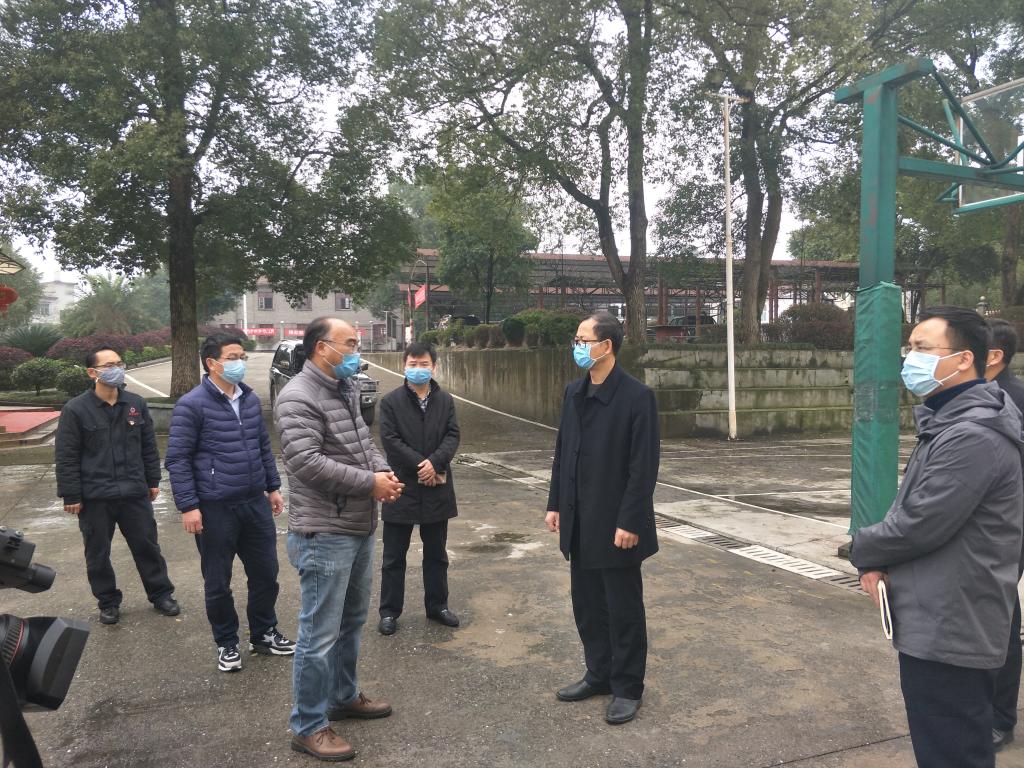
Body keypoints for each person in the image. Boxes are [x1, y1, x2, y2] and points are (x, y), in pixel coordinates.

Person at [853, 306, 1024, 768]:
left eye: (923, 348)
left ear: (964, 359)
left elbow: (921, 522)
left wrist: (864, 549)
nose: (910, 358)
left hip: (953, 621)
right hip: (941, 610)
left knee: (951, 750)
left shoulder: (973, 435)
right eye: (909, 347)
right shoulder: (950, 421)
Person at [275, 317, 404, 762]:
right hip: (324, 532)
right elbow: (306, 463)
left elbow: (363, 443)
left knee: (350, 622)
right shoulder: (298, 397)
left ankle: (343, 696)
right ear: (321, 347)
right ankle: (307, 725)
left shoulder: (344, 388)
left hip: (357, 525)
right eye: (349, 343)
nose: (356, 350)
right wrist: (370, 484)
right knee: (318, 634)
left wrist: (382, 471)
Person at [544, 311, 659, 726]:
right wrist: (555, 503)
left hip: (616, 524)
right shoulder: (574, 391)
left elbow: (643, 467)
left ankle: (627, 687)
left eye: (582, 340)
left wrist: (630, 521)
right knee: (588, 605)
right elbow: (563, 452)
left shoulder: (636, 397)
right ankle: (599, 674)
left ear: (606, 346)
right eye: (576, 340)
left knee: (623, 609)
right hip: (580, 518)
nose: (576, 346)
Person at [164, 332, 294, 673]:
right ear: (212, 363)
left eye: (242, 357)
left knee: (266, 574)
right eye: (233, 357)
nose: (240, 363)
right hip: (214, 508)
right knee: (218, 581)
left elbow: (262, 445)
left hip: (253, 502)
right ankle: (227, 643)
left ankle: (264, 633)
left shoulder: (248, 399)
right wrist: (189, 506)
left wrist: (273, 487)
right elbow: (177, 458)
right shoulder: (191, 405)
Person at [54, 346, 179, 625]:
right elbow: (66, 455)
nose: (117, 369)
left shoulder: (135, 404)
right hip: (95, 496)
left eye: (119, 364)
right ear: (92, 372)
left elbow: (148, 446)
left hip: (134, 492)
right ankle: (108, 601)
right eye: (109, 365)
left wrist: (152, 480)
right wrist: (71, 494)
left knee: (147, 547)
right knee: (98, 554)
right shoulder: (76, 409)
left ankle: (161, 594)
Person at [377, 341, 461, 635]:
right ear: (404, 366)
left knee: (437, 554)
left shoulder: (445, 400)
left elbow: (452, 435)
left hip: (436, 485)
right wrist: (420, 464)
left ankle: (438, 606)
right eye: (413, 364)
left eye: (424, 364)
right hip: (401, 486)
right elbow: (390, 441)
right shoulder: (390, 402)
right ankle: (389, 611)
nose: (418, 369)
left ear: (433, 367)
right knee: (393, 556)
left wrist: (434, 462)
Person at [985, 318, 1024, 752]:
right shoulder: (980, 397)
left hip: (1006, 529)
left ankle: (1000, 717)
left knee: (1001, 619)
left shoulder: (1011, 400)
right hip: (985, 529)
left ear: (994, 355)